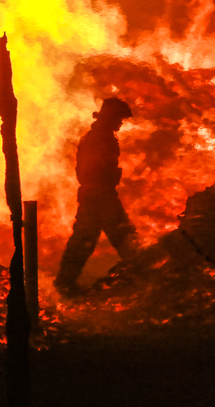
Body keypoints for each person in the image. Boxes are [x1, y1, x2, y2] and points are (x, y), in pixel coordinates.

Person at [54, 97, 139, 297]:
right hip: (99, 195)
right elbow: (91, 169)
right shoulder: (99, 139)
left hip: (97, 193)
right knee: (122, 235)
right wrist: (108, 178)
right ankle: (144, 278)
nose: (120, 123)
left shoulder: (99, 136)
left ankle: (65, 283)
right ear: (110, 117)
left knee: (86, 239)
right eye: (119, 119)